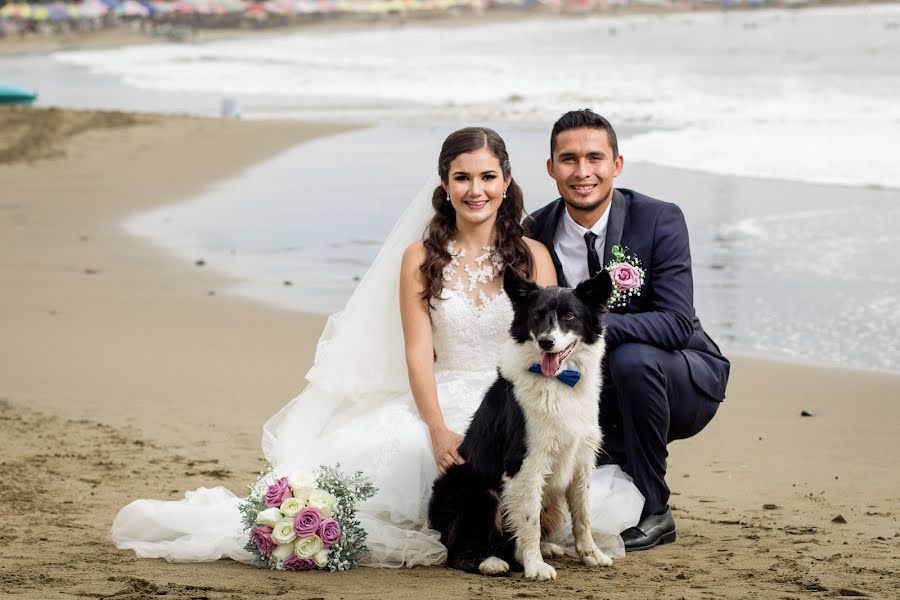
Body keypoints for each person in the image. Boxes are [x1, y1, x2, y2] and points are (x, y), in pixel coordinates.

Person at [111, 126, 645, 568]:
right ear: (445, 184)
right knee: (412, 459)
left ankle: (518, 534)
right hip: (443, 394)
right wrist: (437, 429)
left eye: (487, 177)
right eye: (462, 177)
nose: (475, 189)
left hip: (514, 398)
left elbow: (549, 347)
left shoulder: (532, 255)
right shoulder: (420, 256)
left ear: (506, 182)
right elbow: (418, 351)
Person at [525, 109, 730, 552]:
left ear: (616, 165)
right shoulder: (535, 231)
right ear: (551, 168)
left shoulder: (659, 220)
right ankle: (612, 462)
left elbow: (677, 323)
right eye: (569, 160)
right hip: (592, 390)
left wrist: (596, 325)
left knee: (629, 357)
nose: (583, 172)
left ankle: (657, 510)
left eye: (595, 158)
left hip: (681, 380)